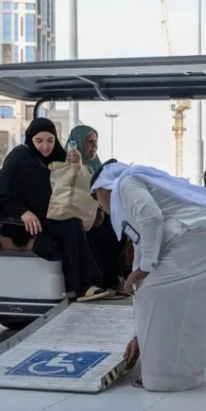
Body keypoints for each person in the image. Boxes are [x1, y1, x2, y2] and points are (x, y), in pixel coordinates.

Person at [90, 161, 206, 391]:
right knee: (173, 301)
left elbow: (151, 219)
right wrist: (138, 335)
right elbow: (142, 250)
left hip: (205, 237)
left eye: (95, 198)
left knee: (153, 291)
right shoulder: (133, 195)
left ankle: (166, 377)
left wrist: (145, 269)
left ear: (102, 188)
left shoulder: (126, 184)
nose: (100, 207)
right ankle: (182, 374)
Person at [0, 118, 110, 302]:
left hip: (48, 217)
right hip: (22, 222)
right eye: (39, 141)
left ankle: (98, 282)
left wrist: (74, 161)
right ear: (31, 139)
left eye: (50, 141)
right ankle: (80, 287)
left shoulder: (55, 157)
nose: (45, 147)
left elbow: (71, 177)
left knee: (85, 226)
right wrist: (23, 212)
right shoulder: (20, 156)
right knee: (72, 227)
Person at [68, 124, 126, 291]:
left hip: (98, 213)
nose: (94, 146)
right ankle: (104, 280)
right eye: (89, 141)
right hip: (80, 214)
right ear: (77, 143)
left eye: (96, 141)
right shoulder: (69, 166)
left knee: (118, 225)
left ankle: (115, 276)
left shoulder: (97, 166)